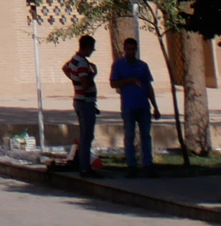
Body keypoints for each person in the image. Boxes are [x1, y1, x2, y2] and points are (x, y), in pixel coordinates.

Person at [109, 35, 158, 175]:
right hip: (129, 106)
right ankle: (131, 164)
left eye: (133, 49)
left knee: (146, 136)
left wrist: (155, 106)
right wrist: (129, 81)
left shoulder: (142, 66)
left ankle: (147, 163)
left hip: (143, 106)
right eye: (128, 49)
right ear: (124, 49)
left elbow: (149, 87)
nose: (131, 52)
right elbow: (113, 83)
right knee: (130, 135)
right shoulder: (118, 65)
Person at [62, 35, 100, 173]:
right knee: (87, 136)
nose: (93, 51)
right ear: (88, 47)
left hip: (78, 100)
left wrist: (74, 80)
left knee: (84, 134)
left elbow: (65, 68)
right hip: (85, 102)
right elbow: (85, 84)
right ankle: (85, 167)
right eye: (92, 48)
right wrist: (93, 75)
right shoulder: (83, 63)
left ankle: (83, 164)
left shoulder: (74, 60)